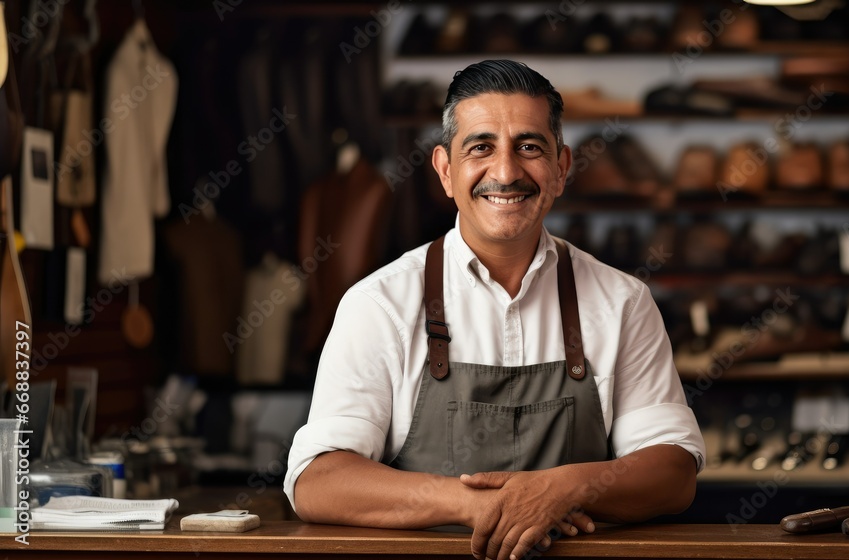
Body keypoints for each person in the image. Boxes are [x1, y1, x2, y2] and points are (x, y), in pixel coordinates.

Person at [284, 60, 705, 560]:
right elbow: (318, 480)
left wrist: (564, 488)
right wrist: (473, 505)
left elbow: (674, 472)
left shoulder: (622, 302)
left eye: (529, 148)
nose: (505, 173)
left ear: (562, 168)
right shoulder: (380, 304)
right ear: (445, 169)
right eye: (480, 147)